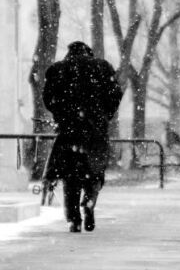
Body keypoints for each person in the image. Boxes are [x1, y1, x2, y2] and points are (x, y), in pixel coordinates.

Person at [43, 41, 124, 233]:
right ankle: (89, 201)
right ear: (89, 53)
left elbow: (48, 98)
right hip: (95, 130)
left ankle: (74, 219)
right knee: (94, 171)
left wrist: (61, 114)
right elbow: (116, 94)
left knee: (70, 176)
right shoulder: (102, 67)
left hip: (69, 130)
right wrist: (105, 114)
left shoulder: (57, 70)